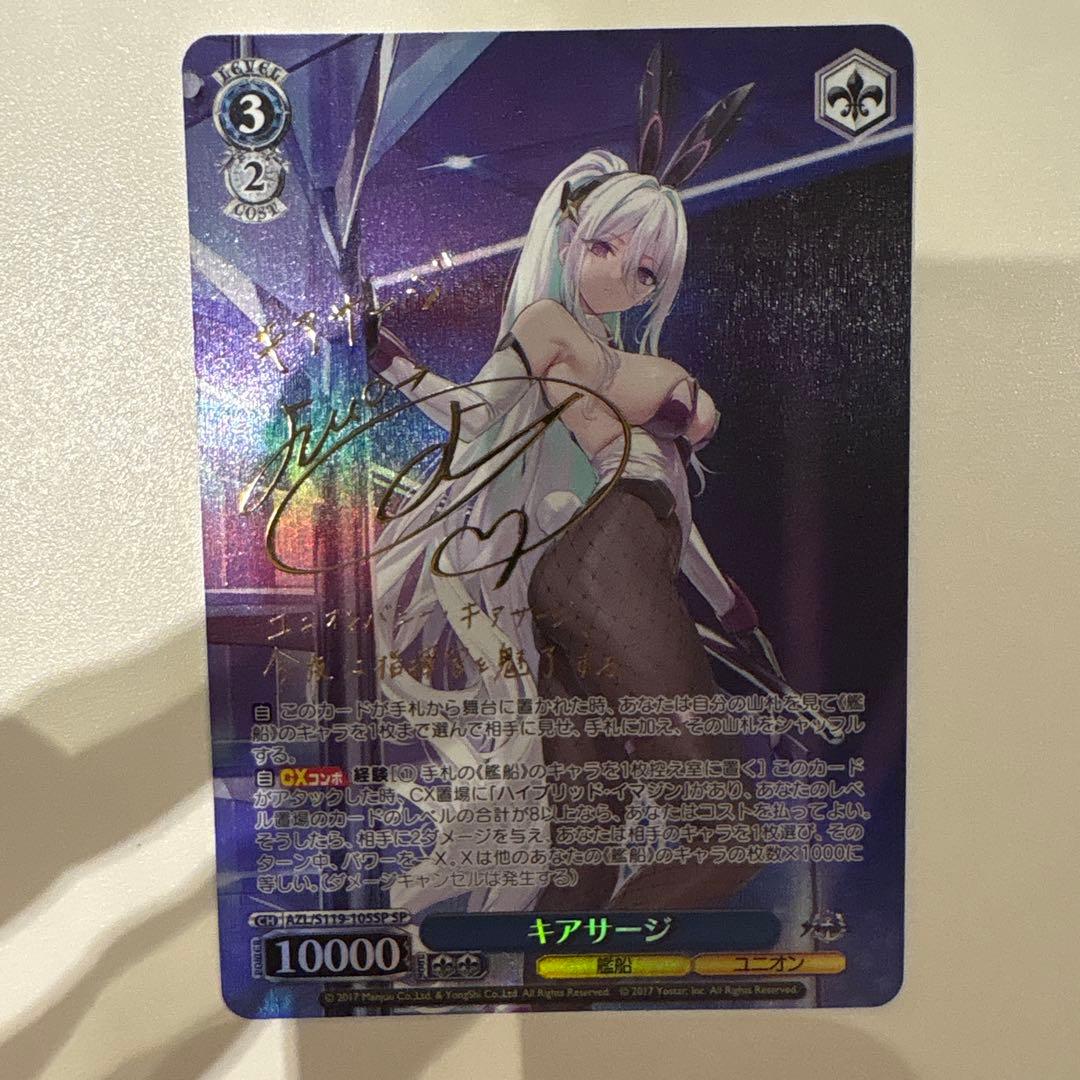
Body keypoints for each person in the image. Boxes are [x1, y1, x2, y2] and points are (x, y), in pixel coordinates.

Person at [369, 55, 776, 914]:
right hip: (602, 559)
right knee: (724, 837)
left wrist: (725, 600)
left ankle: (557, 977)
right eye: (605, 245)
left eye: (646, 271)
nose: (624, 273)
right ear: (567, 238)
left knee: (583, 850)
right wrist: (393, 361)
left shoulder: (615, 351)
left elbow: (673, 503)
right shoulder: (550, 324)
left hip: (606, 562)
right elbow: (478, 414)